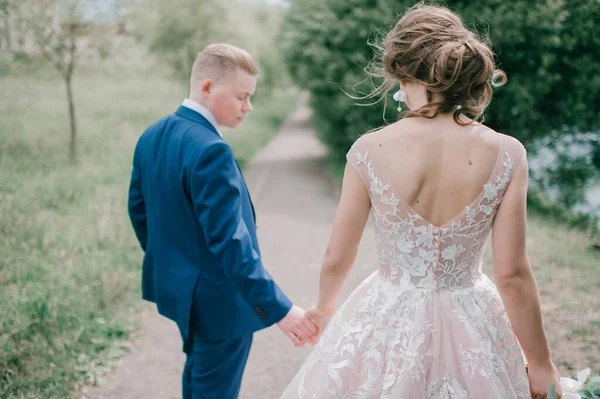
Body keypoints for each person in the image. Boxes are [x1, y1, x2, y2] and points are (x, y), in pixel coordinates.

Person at [282, 4, 562, 398]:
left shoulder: (368, 150)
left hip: (388, 314)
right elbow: (512, 275)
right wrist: (543, 364)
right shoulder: (508, 153)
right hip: (473, 318)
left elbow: (336, 256)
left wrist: (325, 309)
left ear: (401, 70)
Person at [127, 43, 318, 399]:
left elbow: (139, 211)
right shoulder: (211, 150)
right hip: (220, 305)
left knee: (198, 376)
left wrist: (175, 263)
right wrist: (280, 310)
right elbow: (231, 243)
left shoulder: (151, 136)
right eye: (242, 96)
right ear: (207, 87)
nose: (249, 107)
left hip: (182, 293)